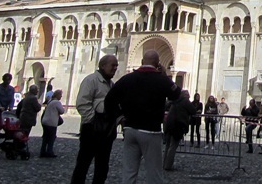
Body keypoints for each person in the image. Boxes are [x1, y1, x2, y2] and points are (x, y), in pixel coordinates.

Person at [104, 50, 181, 184]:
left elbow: (109, 100)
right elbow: (176, 94)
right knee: (154, 174)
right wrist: (165, 75)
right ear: (158, 64)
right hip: (150, 131)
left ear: (141, 62)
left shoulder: (127, 78)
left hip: (130, 130)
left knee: (129, 172)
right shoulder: (161, 79)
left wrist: (120, 117)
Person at [70, 54, 119, 184]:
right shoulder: (91, 80)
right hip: (91, 130)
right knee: (83, 163)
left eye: (116, 66)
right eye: (112, 65)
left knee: (102, 166)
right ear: (102, 65)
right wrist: (94, 120)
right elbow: (82, 103)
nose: (115, 68)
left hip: (106, 131)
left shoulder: (111, 84)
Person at [163, 89, 196, 171]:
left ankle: (164, 164)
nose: (189, 95)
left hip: (170, 124)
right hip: (178, 125)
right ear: (184, 95)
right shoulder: (185, 101)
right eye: (187, 94)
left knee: (168, 146)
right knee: (173, 146)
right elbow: (193, 111)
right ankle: (168, 165)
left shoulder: (175, 101)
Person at [40, 89, 65, 158]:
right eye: (60, 95)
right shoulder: (57, 102)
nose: (61, 97)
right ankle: (49, 151)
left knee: (45, 138)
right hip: (51, 122)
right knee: (51, 138)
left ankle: (43, 151)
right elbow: (62, 111)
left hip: (45, 121)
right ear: (58, 95)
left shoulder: (50, 101)